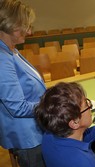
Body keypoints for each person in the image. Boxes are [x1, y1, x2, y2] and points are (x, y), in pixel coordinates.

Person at [0, 0, 46, 166]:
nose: (30, 31)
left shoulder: (11, 49)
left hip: (35, 128)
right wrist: (52, 105)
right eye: (26, 26)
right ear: (11, 25)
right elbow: (17, 107)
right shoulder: (2, 57)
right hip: (28, 137)